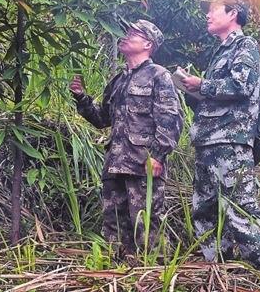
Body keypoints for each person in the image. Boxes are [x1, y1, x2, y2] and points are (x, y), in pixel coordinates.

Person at [176, 0, 260, 272]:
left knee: (240, 206)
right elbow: (217, 96)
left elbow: (241, 87)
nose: (208, 15)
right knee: (205, 207)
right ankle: (216, 267)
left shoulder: (245, 46)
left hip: (230, 141)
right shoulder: (220, 51)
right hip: (208, 141)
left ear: (233, 13)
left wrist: (204, 85)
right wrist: (191, 88)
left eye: (213, 9)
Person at [69, 20, 183, 258]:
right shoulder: (118, 80)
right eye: (128, 32)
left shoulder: (158, 76)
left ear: (147, 44)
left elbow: (170, 120)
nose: (126, 36)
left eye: (134, 34)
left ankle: (153, 273)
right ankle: (118, 273)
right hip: (115, 164)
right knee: (114, 225)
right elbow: (102, 119)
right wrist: (81, 98)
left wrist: (158, 156)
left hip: (143, 164)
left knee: (148, 223)